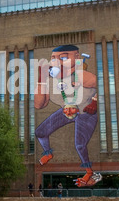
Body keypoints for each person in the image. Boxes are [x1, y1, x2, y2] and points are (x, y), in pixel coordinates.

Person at [34, 45, 102, 187]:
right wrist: (41, 78)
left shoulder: (82, 76)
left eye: (63, 58)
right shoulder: (51, 81)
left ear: (76, 58)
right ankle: (48, 153)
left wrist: (95, 101)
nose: (57, 62)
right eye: (53, 59)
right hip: (67, 111)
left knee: (79, 144)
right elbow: (39, 105)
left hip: (85, 112)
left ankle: (89, 172)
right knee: (40, 132)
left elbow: (102, 85)